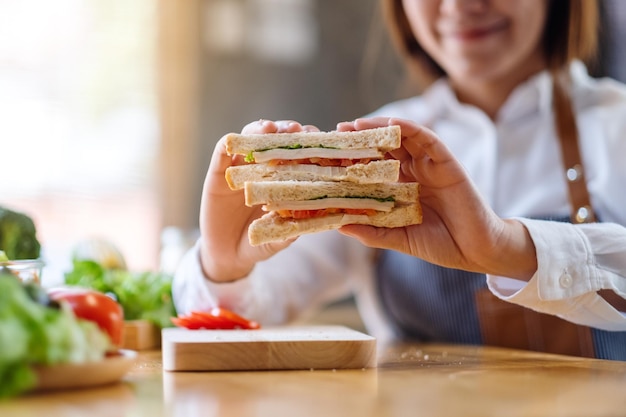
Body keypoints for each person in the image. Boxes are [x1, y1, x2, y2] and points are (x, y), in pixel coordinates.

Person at [173, 0, 626, 360]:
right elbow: (249, 312)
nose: (459, 4)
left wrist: (505, 247)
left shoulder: (616, 124)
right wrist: (224, 264)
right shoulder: (375, 149)